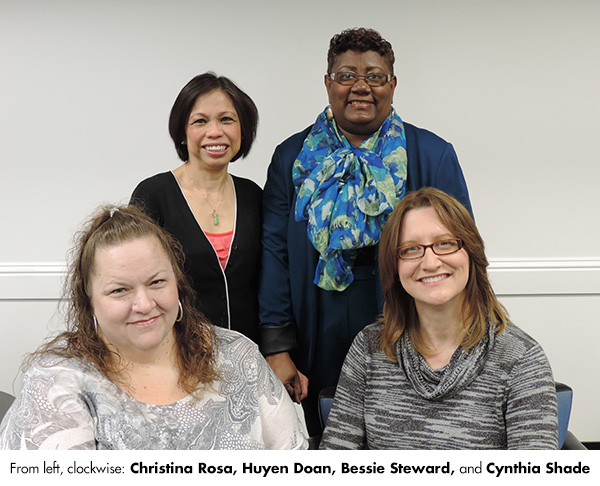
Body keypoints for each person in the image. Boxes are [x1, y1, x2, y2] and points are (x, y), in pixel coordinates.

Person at [258, 27, 472, 436]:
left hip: (408, 314)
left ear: (392, 85)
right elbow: (274, 253)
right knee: (324, 431)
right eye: (346, 76)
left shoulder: (432, 154)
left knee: (402, 429)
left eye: (374, 76)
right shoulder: (292, 157)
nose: (361, 87)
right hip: (315, 313)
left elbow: (462, 252)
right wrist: (277, 347)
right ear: (327, 84)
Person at [0, 205, 307, 450]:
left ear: (178, 283)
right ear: (89, 300)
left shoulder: (237, 356)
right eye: (120, 290)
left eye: (157, 282)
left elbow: (291, 461)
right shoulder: (56, 383)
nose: (144, 304)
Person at [319, 187, 558, 449]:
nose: (430, 263)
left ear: (471, 253)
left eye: (445, 243)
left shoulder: (521, 358)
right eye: (410, 249)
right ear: (395, 268)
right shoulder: (369, 347)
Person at [131, 73, 262, 342]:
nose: (215, 132)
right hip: (176, 354)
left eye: (227, 119)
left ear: (243, 129)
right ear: (182, 132)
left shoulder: (254, 196)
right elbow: (138, 284)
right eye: (200, 121)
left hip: (251, 357)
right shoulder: (153, 195)